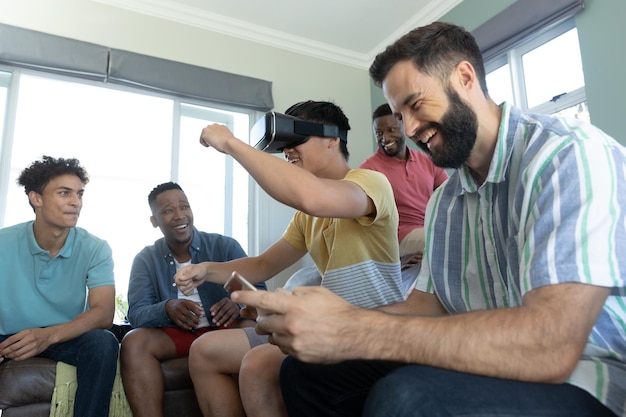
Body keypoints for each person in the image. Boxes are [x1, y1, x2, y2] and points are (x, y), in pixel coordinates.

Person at [229, 22, 626, 417]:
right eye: (400, 115)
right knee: (306, 373)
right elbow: (428, 306)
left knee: (410, 398)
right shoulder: (446, 202)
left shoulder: (566, 156)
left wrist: (354, 330)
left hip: (582, 379)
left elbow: (550, 346)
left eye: (415, 105)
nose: (410, 129)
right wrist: (327, 321)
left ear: (465, 77)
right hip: (478, 360)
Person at [174, 100, 405, 417]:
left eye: (295, 142)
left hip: (371, 330)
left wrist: (230, 143)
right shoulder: (306, 217)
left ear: (332, 138)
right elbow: (263, 265)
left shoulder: (370, 184)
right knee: (204, 352)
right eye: (283, 146)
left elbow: (314, 197)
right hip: (324, 326)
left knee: (258, 365)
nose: (287, 152)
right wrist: (205, 270)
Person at [119, 181, 265, 417]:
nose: (179, 216)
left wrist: (237, 303)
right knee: (134, 342)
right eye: (167, 211)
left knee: (252, 328)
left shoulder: (224, 245)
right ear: (154, 221)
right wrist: (167, 308)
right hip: (178, 333)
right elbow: (137, 312)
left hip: (225, 329)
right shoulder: (145, 259)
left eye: (184, 207)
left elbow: (259, 288)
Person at [0, 155, 119, 417]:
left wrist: (48, 336)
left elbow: (103, 313)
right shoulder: (3, 242)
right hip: (6, 336)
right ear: (36, 198)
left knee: (103, 342)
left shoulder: (95, 248)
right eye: (65, 193)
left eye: (79, 194)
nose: (76, 202)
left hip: (62, 335)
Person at [360, 102, 448, 268]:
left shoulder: (426, 161)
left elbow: (451, 196)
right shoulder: (368, 170)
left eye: (391, 130)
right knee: (444, 239)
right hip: (396, 239)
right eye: (379, 133)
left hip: (428, 230)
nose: (385, 138)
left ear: (404, 126)